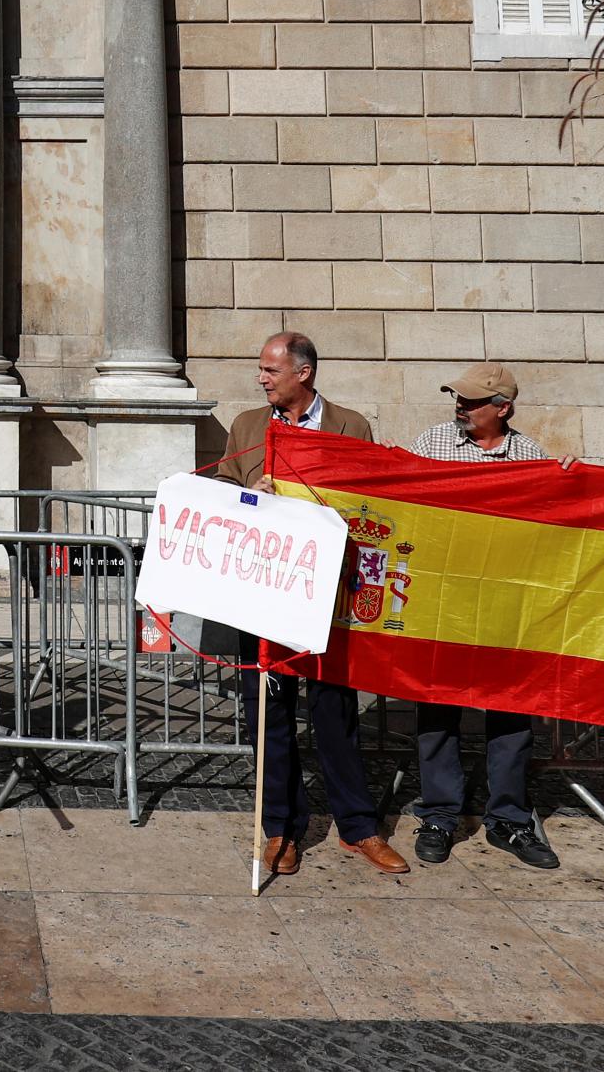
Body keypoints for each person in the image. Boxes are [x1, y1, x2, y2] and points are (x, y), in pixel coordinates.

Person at [214, 332, 406, 879]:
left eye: (271, 369)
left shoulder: (351, 425)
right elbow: (229, 494)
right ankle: (280, 829)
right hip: (263, 598)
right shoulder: (249, 426)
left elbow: (370, 500)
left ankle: (358, 827)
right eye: (261, 369)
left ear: (304, 373)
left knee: (335, 714)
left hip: (326, 601)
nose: (262, 378)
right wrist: (257, 498)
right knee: (268, 715)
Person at [403, 361, 561, 870]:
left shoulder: (532, 455)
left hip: (506, 604)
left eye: (471, 401)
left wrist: (574, 484)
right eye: (459, 399)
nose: (461, 407)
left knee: (512, 711)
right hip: (444, 599)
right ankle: (440, 814)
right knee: (437, 709)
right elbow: (391, 491)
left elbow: (552, 527)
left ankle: (509, 819)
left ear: (503, 408)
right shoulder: (431, 444)